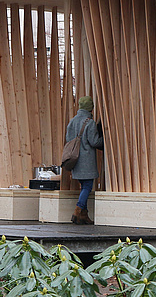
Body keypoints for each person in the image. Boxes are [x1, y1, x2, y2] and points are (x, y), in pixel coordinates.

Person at [65, 95, 104, 225]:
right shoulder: (89, 122)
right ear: (90, 108)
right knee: (87, 186)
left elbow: (68, 139)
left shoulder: (72, 121)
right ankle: (78, 210)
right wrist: (105, 140)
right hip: (86, 161)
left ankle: (84, 215)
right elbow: (94, 142)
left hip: (75, 160)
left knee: (84, 186)